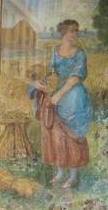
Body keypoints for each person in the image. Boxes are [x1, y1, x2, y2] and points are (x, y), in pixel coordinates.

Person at [28, 18, 91, 189]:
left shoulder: (80, 54)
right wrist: (40, 83)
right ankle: (60, 172)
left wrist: (58, 96)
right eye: (71, 31)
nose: (74, 34)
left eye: (76, 31)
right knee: (55, 135)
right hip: (55, 92)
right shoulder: (55, 51)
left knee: (72, 137)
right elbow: (51, 72)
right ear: (63, 33)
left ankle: (73, 175)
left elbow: (75, 78)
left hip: (73, 96)